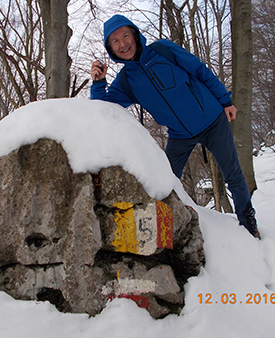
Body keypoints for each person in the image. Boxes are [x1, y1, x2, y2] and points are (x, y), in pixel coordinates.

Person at [89, 14, 260, 239]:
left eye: (126, 36)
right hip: (180, 136)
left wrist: (225, 100)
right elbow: (103, 109)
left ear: (135, 35)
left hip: (213, 120)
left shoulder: (163, 50)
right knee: (163, 181)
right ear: (111, 49)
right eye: (115, 41)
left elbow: (199, 70)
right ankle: (162, 232)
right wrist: (99, 83)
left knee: (233, 175)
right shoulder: (126, 81)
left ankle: (249, 227)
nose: (123, 44)